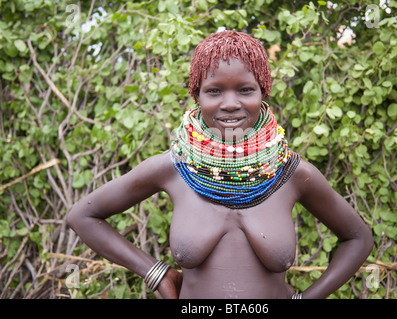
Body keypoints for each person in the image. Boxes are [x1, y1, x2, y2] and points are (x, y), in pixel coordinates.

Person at [67, 30, 373, 299]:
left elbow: (358, 238)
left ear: (262, 92)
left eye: (245, 89)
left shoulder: (290, 173)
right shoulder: (174, 168)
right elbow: (84, 216)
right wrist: (156, 273)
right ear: (196, 94)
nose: (229, 103)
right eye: (214, 91)